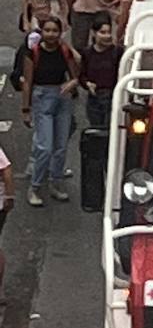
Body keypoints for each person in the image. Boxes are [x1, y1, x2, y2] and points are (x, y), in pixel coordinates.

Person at [20, 17, 77, 206]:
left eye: (55, 31)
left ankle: (56, 183)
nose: (51, 34)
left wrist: (72, 82)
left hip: (62, 97)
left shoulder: (64, 50)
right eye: (47, 30)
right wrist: (25, 109)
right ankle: (34, 187)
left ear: (60, 33)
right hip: (41, 97)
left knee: (60, 147)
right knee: (45, 147)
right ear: (41, 32)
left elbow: (75, 72)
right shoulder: (33, 52)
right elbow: (27, 82)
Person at [79, 15, 123, 130]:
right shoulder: (87, 53)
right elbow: (82, 75)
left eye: (109, 32)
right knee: (96, 131)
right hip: (94, 99)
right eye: (102, 32)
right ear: (94, 33)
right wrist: (87, 84)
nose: (107, 36)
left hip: (111, 97)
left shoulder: (117, 52)